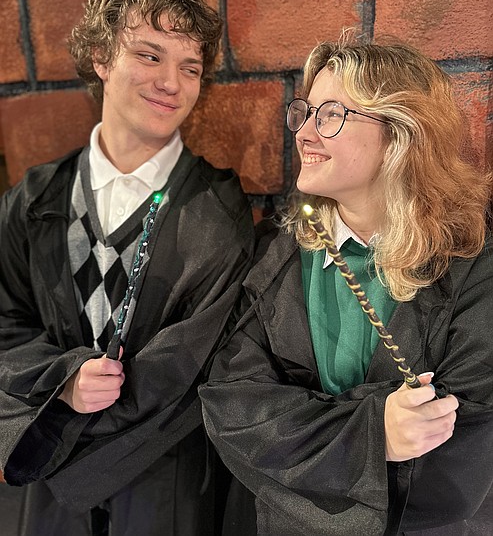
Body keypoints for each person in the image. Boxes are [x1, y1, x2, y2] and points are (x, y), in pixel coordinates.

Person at [199, 33, 493, 535]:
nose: (304, 133)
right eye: (305, 113)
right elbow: (233, 408)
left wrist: (304, 435)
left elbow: (466, 441)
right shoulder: (278, 253)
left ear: (401, 132)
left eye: (331, 114)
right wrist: (374, 434)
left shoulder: (472, 262)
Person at [0, 0, 254, 536]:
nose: (171, 83)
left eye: (190, 67)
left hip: (162, 481)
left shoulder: (216, 211)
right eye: (149, 55)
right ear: (101, 57)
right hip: (47, 480)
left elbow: (191, 363)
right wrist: (63, 381)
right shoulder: (36, 199)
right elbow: (5, 322)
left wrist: (69, 414)